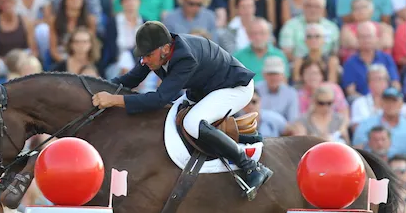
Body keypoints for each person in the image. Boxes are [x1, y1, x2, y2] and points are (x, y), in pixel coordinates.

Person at [91, 21, 273, 200]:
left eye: (148, 55)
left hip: (235, 88)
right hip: (207, 88)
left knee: (192, 123)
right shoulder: (157, 52)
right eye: (142, 56)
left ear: (164, 48)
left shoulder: (185, 57)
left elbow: (159, 98)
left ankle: (251, 167)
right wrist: (96, 87)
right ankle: (243, 139)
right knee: (171, 117)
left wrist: (114, 100)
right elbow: (131, 78)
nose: (144, 60)